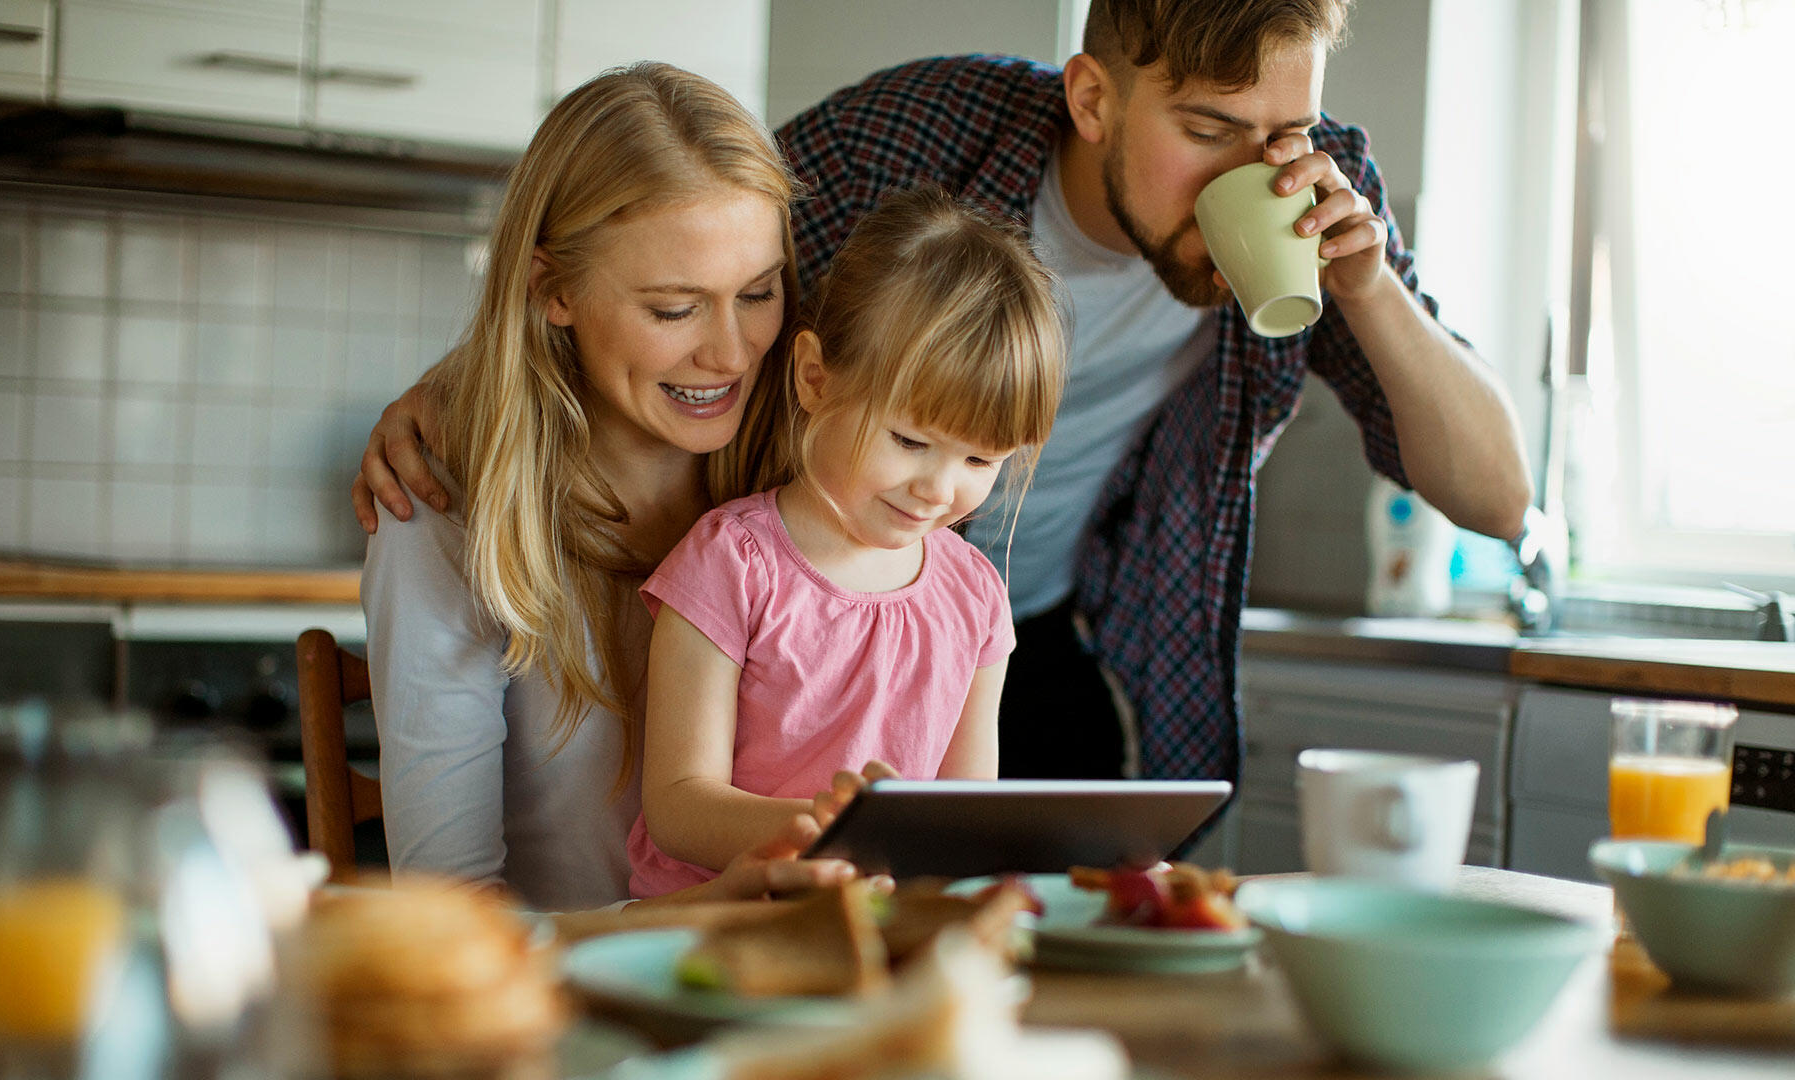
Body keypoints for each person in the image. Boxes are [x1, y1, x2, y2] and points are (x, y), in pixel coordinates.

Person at [352, 1, 1532, 799]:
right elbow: (676, 241)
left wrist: (1371, 292)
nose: (1252, 177)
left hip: (1040, 635)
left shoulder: (1322, 202)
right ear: (1091, 98)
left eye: (1283, 133)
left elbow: (1496, 497)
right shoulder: (916, 138)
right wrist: (463, 381)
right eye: (1209, 130)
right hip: (816, 623)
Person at [361, 62, 868, 909]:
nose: (733, 353)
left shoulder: (814, 482)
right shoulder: (443, 507)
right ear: (552, 289)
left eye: (758, 293)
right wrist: (688, 922)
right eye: (674, 309)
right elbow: (453, 917)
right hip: (572, 1014)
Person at [630, 188, 1065, 897]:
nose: (937, 488)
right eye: (910, 441)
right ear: (815, 379)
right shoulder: (732, 563)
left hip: (880, 931)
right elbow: (677, 806)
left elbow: (963, 821)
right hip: (717, 926)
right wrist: (841, 830)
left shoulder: (977, 597)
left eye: (980, 461)